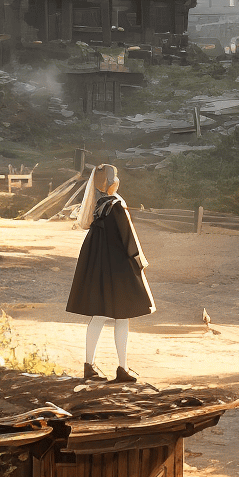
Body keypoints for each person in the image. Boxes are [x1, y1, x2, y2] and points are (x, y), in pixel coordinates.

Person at [65, 163, 155, 382]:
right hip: (119, 270)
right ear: (112, 182)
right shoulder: (116, 206)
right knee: (122, 318)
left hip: (100, 269)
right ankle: (122, 369)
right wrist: (139, 261)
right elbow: (129, 238)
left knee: (99, 316)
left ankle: (89, 366)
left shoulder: (98, 208)